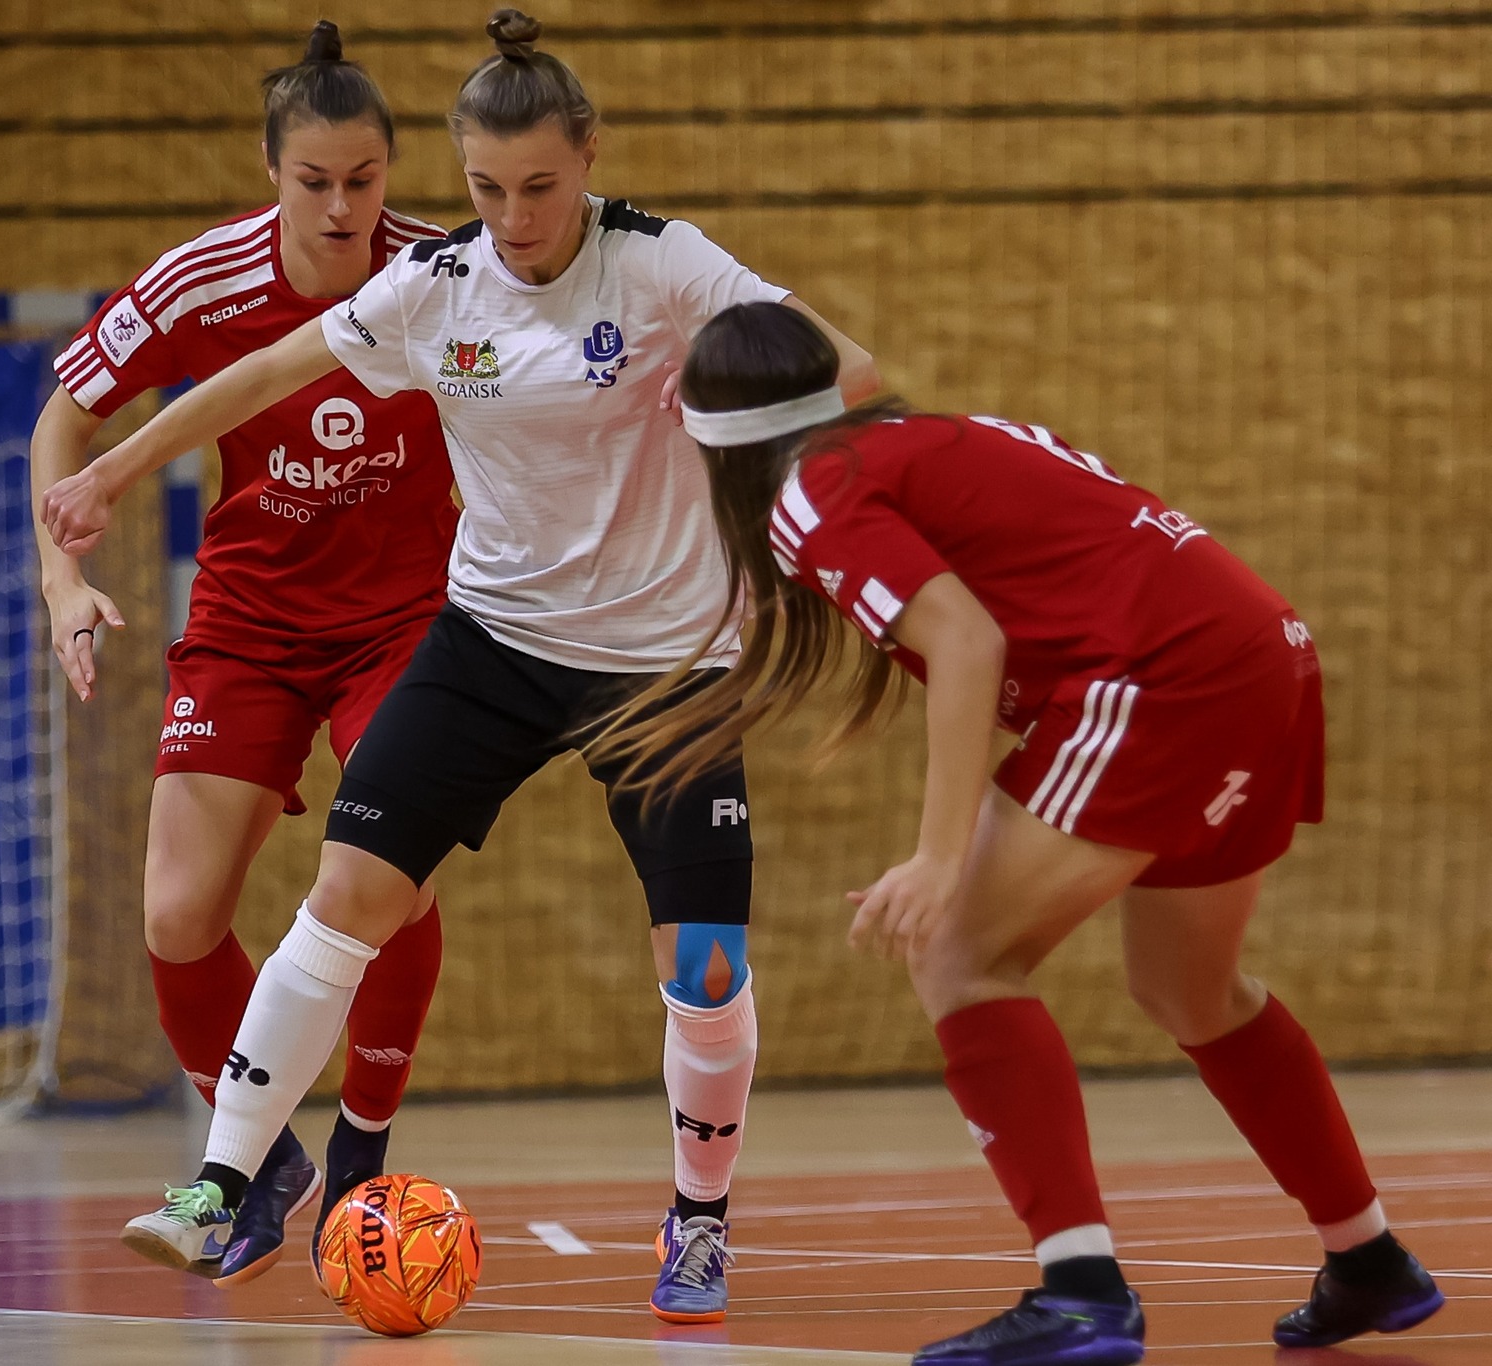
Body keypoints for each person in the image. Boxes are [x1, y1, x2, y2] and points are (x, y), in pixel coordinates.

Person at [44, 10, 878, 1323]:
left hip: (662, 655)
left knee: (704, 961)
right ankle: (224, 1178)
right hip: (492, 636)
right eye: (488, 190)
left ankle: (700, 1217)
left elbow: (849, 371)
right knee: (345, 891)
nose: (517, 216)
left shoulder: (661, 264)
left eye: (541, 187)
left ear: (587, 157)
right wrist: (113, 465)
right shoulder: (435, 285)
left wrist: (763, 477)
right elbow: (263, 368)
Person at [602, 300, 1445, 1364]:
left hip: (1163, 680)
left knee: (959, 956)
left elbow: (965, 642)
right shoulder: (930, 437)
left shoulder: (807, 492)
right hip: (1260, 651)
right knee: (1189, 991)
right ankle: (1365, 1255)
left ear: (709, 439)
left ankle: (1081, 1290)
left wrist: (938, 857)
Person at [28, 21, 457, 1285]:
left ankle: (364, 1149)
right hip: (250, 624)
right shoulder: (203, 281)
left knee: (388, 879)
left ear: (390, 171)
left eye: (364, 180)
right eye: (313, 180)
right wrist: (65, 583)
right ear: (270, 169)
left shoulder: (443, 271)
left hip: (407, 622)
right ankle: (261, 1156)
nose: (340, 206)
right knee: (175, 915)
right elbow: (65, 416)